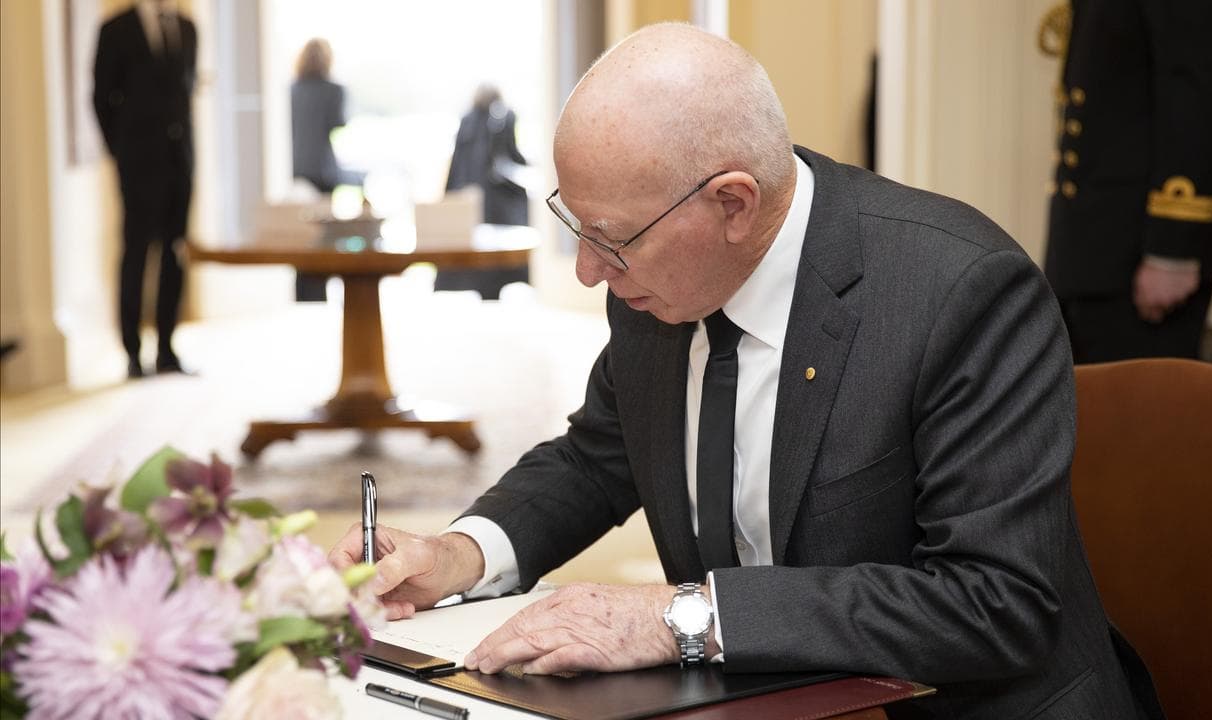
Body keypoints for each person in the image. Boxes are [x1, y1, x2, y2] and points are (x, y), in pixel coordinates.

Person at [331, 24, 1155, 719]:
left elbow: (993, 603)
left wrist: (685, 614)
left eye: (609, 239)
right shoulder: (653, 277)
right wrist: (460, 556)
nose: (588, 271)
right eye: (575, 226)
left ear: (733, 203)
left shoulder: (961, 293)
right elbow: (600, 453)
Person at [1043, 0, 1212, 363]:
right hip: (1093, 252)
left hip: (1138, 260)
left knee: (1143, 415)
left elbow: (1198, 100)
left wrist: (1172, 250)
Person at [93, 0, 197, 378]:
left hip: (180, 160)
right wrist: (120, 149)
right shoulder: (116, 29)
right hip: (137, 162)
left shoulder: (188, 28)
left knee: (175, 251)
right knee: (136, 252)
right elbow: (101, 97)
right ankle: (132, 352)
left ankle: (167, 350)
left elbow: (187, 89)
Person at [290, 38, 360, 303]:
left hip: (296, 169)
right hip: (322, 170)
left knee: (302, 235)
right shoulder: (334, 90)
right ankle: (318, 291)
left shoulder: (291, 89)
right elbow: (339, 122)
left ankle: (304, 293)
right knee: (322, 235)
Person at [445, 84, 530, 226]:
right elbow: (512, 153)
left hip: (470, 190)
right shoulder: (505, 117)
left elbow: (457, 162)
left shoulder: (467, 120)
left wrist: (449, 192)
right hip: (498, 196)